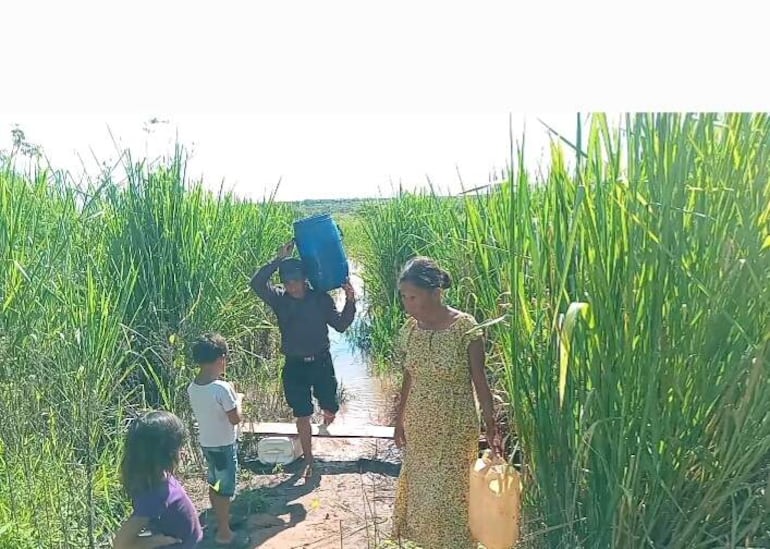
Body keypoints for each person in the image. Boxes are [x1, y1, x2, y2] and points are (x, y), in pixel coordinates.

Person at [391, 256, 503, 549]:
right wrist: (399, 420)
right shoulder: (411, 329)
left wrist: (491, 426)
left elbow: (480, 381)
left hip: (455, 426)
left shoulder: (465, 328)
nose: (407, 304)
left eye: (413, 297)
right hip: (419, 424)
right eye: (403, 297)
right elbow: (408, 377)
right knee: (422, 492)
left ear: (436, 293)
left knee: (451, 492)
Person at [250, 240, 356, 478]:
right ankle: (309, 459)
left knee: (329, 407)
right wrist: (278, 259)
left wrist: (350, 301)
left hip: (321, 362)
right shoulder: (279, 299)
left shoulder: (320, 299)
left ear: (305, 279)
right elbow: (256, 283)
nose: (292, 286)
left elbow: (341, 325)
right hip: (295, 365)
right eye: (287, 282)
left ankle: (327, 418)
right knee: (302, 414)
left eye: (296, 281)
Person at [186, 333, 246, 546]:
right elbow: (235, 419)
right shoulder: (222, 388)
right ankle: (224, 533)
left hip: (208, 444)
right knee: (225, 490)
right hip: (224, 447)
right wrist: (238, 399)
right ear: (221, 358)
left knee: (215, 484)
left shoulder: (193, 387)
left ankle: (222, 519)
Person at [113, 410, 203, 549]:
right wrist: (154, 541)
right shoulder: (156, 496)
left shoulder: (153, 477)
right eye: (178, 447)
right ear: (165, 454)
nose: (182, 451)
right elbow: (120, 544)